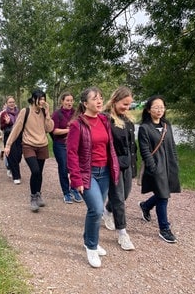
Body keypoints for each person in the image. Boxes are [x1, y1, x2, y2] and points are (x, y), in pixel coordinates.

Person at [67, 87, 119, 268]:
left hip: (104, 172)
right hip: (86, 173)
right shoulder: (77, 125)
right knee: (96, 210)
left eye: (101, 98)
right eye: (94, 98)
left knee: (96, 210)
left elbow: (109, 146)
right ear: (84, 103)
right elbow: (71, 153)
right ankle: (91, 246)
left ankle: (91, 240)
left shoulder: (104, 120)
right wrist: (76, 179)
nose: (99, 101)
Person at [138, 95, 180, 243]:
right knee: (163, 197)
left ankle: (145, 205)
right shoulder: (145, 128)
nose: (159, 110)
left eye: (162, 107)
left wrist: (175, 162)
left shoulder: (167, 126)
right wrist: (153, 167)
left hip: (169, 166)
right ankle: (164, 228)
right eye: (156, 107)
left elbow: (172, 146)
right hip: (156, 168)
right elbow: (144, 150)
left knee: (163, 193)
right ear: (149, 110)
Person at [4, 89, 54, 212]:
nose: (42, 101)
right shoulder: (25, 112)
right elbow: (16, 128)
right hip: (28, 145)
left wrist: (48, 115)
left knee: (40, 172)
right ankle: (33, 197)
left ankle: (38, 194)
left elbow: (49, 128)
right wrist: (8, 144)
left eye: (44, 99)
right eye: (40, 99)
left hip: (42, 145)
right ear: (33, 99)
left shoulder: (43, 112)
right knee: (35, 171)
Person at [102, 86, 137, 251]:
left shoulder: (128, 120)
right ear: (115, 101)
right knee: (119, 198)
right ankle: (123, 233)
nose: (127, 107)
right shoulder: (106, 119)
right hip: (113, 165)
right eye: (124, 104)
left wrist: (134, 164)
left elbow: (132, 146)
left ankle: (107, 210)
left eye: (129, 104)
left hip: (127, 164)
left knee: (125, 195)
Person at [51, 92, 82, 204]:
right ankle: (66, 193)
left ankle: (74, 189)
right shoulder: (57, 114)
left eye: (71, 100)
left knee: (74, 167)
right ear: (62, 101)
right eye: (67, 100)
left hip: (74, 145)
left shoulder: (76, 114)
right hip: (60, 145)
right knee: (64, 168)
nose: (69, 103)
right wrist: (70, 130)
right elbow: (54, 131)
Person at [0, 96, 22, 185]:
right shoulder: (4, 114)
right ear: (6, 104)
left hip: (19, 136)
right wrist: (7, 123)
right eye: (10, 102)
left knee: (19, 156)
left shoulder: (19, 113)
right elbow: (1, 127)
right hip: (9, 136)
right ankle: (16, 177)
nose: (12, 104)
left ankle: (9, 166)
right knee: (12, 155)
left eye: (13, 102)